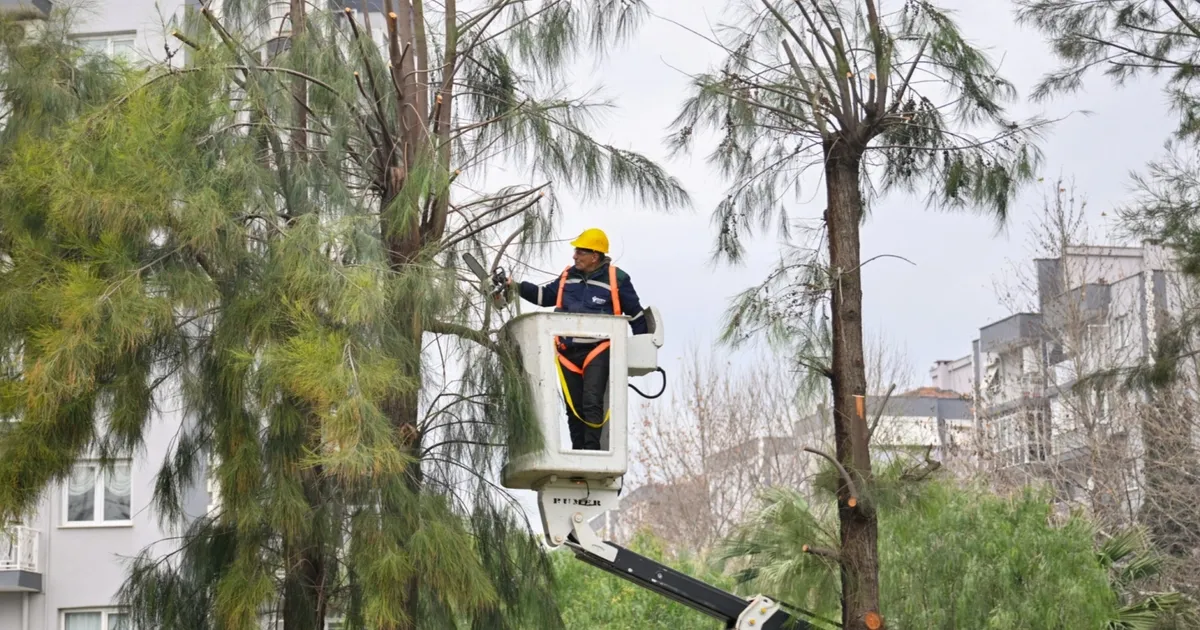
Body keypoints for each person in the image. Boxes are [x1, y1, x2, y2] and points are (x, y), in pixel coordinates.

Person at [510, 228, 647, 450]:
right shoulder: (568, 276)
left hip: (598, 349)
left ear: (595, 256)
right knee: (573, 407)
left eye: (580, 252)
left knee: (591, 402)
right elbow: (544, 297)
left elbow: (637, 315)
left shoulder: (617, 278)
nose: (574, 256)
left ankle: (592, 453)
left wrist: (644, 348)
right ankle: (579, 451)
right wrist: (515, 286)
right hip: (566, 352)